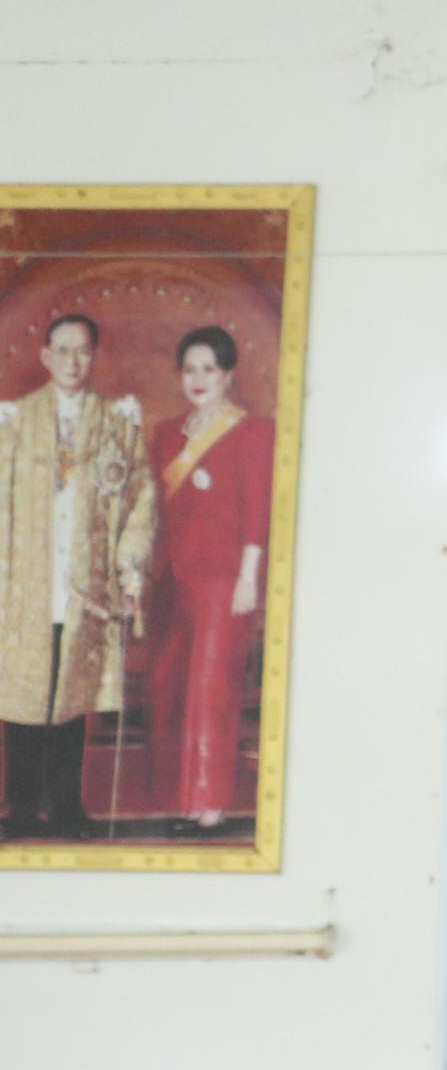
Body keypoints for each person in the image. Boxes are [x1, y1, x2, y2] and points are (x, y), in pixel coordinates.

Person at [0, 312, 156, 841]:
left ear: (94, 356)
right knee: (24, 698)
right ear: (45, 356)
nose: (72, 361)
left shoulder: (116, 423)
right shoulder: (15, 420)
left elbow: (139, 501)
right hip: (26, 580)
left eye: (82, 350)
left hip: (83, 585)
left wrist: (129, 566)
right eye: (62, 350)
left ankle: (65, 807)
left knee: (70, 698)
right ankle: (20, 806)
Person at [141, 326, 273, 830]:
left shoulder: (252, 432)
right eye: (189, 369)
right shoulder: (168, 433)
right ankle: (176, 792)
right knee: (168, 684)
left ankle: (209, 800)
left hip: (223, 580)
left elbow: (256, 509)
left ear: (228, 375)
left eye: (209, 370)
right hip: (172, 578)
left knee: (211, 689)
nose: (198, 379)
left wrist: (248, 577)